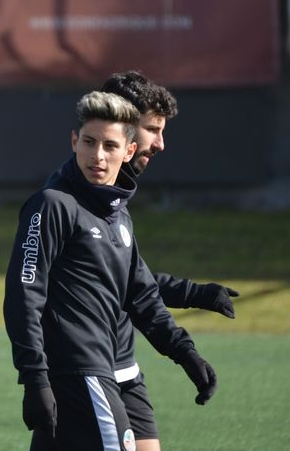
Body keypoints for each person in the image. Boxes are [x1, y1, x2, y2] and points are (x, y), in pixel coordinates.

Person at [3, 91, 217, 451]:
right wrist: (34, 377)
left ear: (128, 152)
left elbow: (141, 294)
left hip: (103, 367)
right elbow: (24, 295)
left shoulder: (117, 212)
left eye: (109, 146)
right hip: (78, 371)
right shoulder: (53, 205)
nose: (97, 156)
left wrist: (185, 354)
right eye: (88, 142)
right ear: (74, 141)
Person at [100, 71, 239, 451]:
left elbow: (128, 277)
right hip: (87, 373)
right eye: (153, 129)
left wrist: (197, 293)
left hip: (123, 365)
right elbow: (132, 291)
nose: (161, 144)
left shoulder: (116, 199)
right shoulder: (74, 201)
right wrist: (183, 351)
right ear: (123, 126)